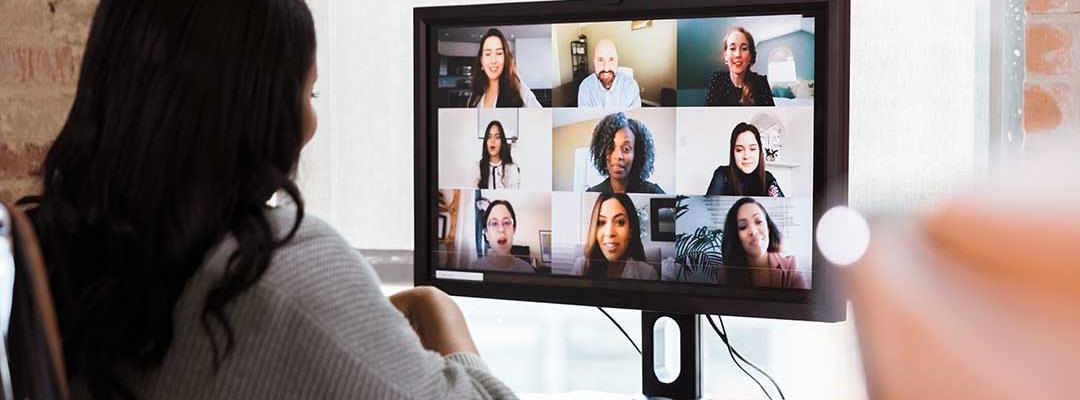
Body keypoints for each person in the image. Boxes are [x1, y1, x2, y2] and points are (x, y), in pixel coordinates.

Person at [18, 1, 515, 399]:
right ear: (260, 110)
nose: (312, 124)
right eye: (309, 95)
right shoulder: (273, 267)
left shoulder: (50, 251)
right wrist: (435, 309)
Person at [721, 198, 807, 289]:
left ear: (768, 228)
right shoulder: (725, 274)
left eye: (758, 222)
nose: (753, 231)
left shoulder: (790, 268)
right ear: (735, 236)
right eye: (743, 226)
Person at [571, 193, 658, 280]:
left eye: (620, 222)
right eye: (601, 222)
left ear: (631, 229)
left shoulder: (647, 274)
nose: (609, 233)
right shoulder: (581, 267)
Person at [586, 112, 665, 194]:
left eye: (626, 149)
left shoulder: (654, 193)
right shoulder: (592, 194)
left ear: (637, 154)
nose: (618, 156)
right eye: (610, 148)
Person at [468, 28, 542, 108]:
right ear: (482, 61)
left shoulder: (518, 89)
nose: (493, 60)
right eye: (488, 54)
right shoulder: (475, 96)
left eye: (499, 53)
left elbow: (542, 117)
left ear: (505, 58)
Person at [706, 122, 785, 197]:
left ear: (760, 150)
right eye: (739, 150)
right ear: (732, 152)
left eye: (752, 149)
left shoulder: (768, 178)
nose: (746, 156)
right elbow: (707, 209)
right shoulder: (722, 175)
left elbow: (783, 208)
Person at [704, 27, 775, 107]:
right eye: (732, 48)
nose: (738, 54)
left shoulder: (761, 83)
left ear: (750, 56)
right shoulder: (717, 79)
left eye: (744, 49)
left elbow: (769, 117)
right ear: (726, 56)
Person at [469, 200, 534, 273]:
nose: (501, 229)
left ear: (514, 229)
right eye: (494, 223)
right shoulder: (474, 268)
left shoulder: (528, 270)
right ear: (487, 234)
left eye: (506, 222)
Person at [577, 39, 642, 108]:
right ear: (594, 62)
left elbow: (634, 116)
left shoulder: (631, 86)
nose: (606, 68)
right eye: (600, 60)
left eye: (611, 59)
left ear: (617, 61)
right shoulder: (585, 87)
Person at [472, 120, 521, 189]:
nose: (492, 140)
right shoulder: (478, 167)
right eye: (489, 137)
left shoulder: (511, 168)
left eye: (497, 137)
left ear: (502, 141)